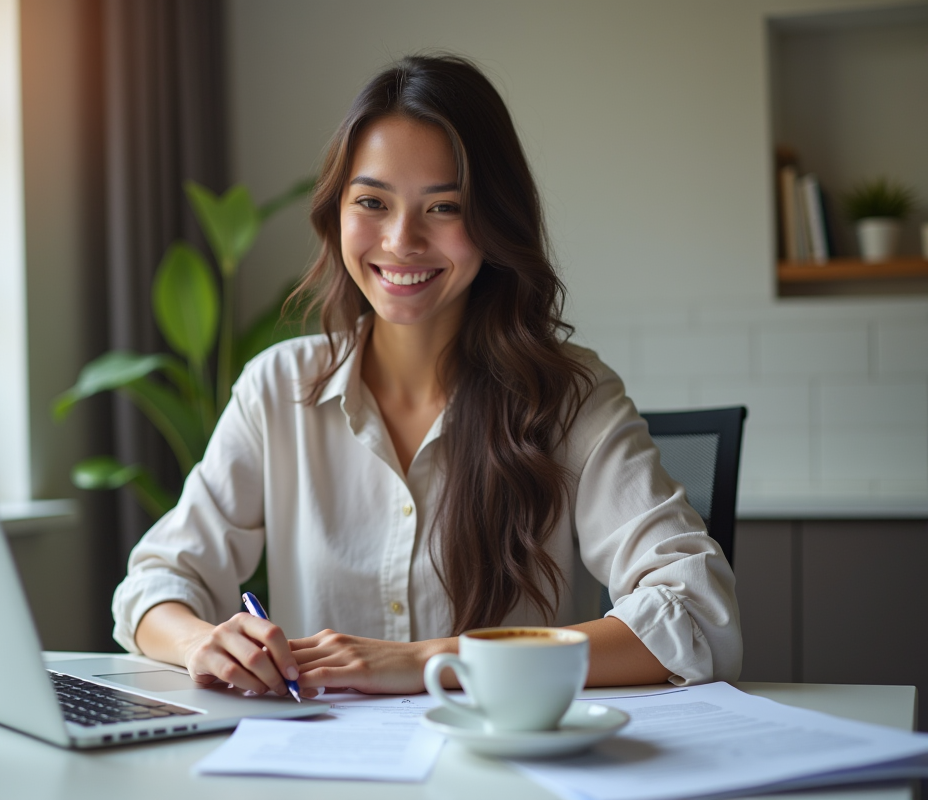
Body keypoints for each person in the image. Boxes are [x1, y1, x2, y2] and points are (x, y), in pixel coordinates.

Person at [112, 54, 741, 699]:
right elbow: (154, 585)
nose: (401, 240)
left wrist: (432, 661)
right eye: (372, 202)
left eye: (443, 207)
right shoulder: (277, 388)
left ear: (494, 223)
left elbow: (698, 612)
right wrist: (201, 641)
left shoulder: (570, 396)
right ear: (336, 213)